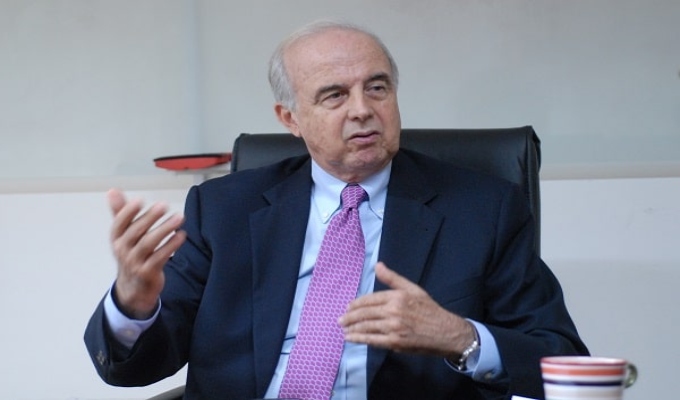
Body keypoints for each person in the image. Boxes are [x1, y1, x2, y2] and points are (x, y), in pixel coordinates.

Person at [85, 20, 588, 400]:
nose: (362, 109)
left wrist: (460, 337)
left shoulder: (482, 209)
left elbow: (561, 361)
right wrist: (133, 304)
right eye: (334, 95)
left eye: (377, 87)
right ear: (290, 118)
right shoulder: (225, 209)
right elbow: (135, 368)